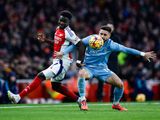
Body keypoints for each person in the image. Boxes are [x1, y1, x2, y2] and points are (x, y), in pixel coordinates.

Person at [57, 25, 156, 111]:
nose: (102, 36)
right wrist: (63, 52)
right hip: (88, 68)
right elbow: (76, 45)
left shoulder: (111, 45)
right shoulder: (91, 39)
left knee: (120, 84)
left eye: (105, 35)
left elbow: (126, 49)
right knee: (81, 73)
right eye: (101, 34)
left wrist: (143, 54)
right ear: (98, 33)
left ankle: (116, 104)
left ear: (109, 36)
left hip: (102, 70)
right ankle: (83, 100)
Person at [7, 10, 85, 105]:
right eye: (60, 20)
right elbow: (57, 44)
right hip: (57, 60)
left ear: (68, 22)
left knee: (40, 75)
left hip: (62, 62)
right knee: (56, 86)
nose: (61, 22)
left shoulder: (69, 32)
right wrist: (46, 40)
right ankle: (79, 100)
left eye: (64, 21)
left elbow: (81, 45)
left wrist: (79, 60)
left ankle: (18, 97)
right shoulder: (58, 29)